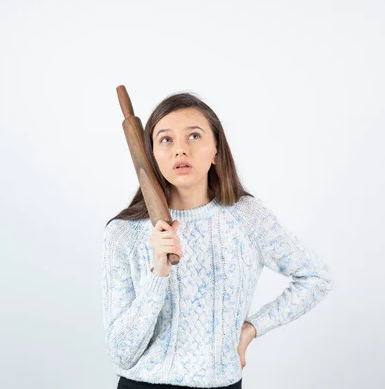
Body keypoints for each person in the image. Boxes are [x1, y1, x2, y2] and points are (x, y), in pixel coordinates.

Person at [101, 92, 334, 389]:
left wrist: (251, 329)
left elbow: (316, 278)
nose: (180, 150)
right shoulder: (123, 233)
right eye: (165, 139)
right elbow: (121, 353)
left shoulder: (248, 218)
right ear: (150, 155)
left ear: (215, 151)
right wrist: (157, 272)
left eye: (194, 136)